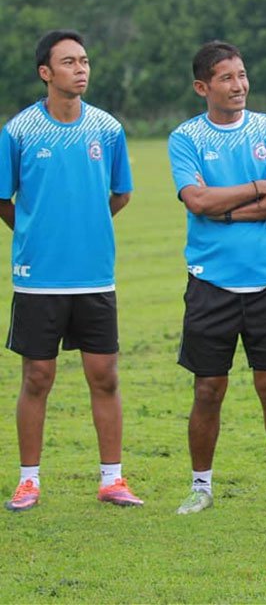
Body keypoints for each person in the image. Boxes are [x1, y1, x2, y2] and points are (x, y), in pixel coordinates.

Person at [0, 29, 142, 511]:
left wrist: (87, 226)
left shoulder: (107, 128)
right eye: (69, 62)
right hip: (38, 277)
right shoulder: (19, 131)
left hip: (95, 276)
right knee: (37, 377)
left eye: (84, 61)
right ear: (46, 73)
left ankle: (112, 479)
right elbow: (3, 198)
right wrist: (33, 234)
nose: (80, 69)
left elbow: (120, 194)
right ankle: (28, 481)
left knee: (104, 376)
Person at [168, 41, 266, 515]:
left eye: (242, 75)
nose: (239, 85)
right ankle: (201, 486)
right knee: (208, 389)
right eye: (227, 78)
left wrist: (226, 210)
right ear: (202, 87)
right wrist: (254, 188)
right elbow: (198, 203)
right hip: (210, 283)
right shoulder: (186, 138)